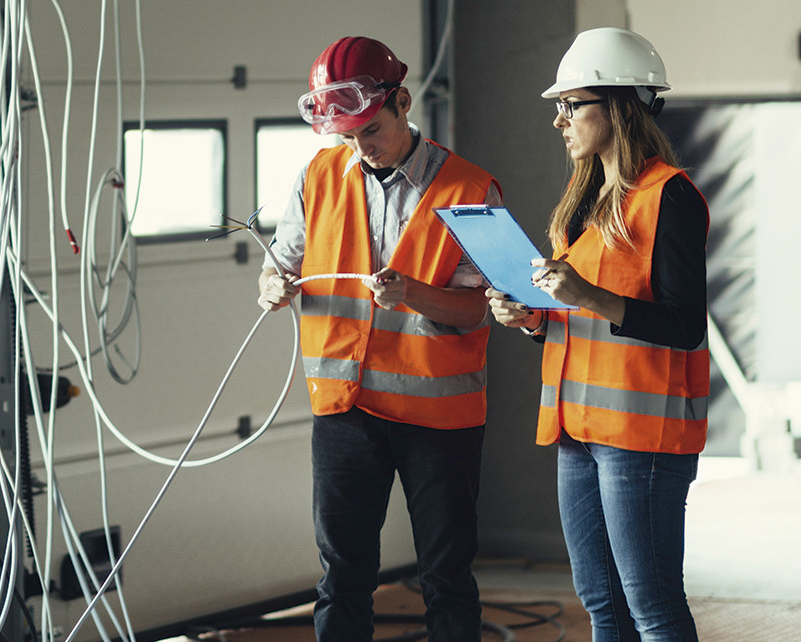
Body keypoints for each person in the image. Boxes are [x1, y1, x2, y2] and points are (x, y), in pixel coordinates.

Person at [257, 36, 502, 642]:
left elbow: (480, 311)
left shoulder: (472, 190)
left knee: (446, 579)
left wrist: (414, 293)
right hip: (345, 413)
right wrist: (271, 285)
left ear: (403, 102)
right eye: (345, 135)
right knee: (342, 578)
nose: (358, 146)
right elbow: (280, 263)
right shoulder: (318, 177)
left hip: (438, 421)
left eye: (369, 130)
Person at [485, 27, 708, 640]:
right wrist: (533, 317)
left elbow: (686, 326)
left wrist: (586, 295)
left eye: (571, 104)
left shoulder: (670, 197)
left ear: (620, 105)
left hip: (644, 439)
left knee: (653, 608)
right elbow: (579, 319)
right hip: (577, 431)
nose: (559, 120)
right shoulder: (583, 200)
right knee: (602, 605)